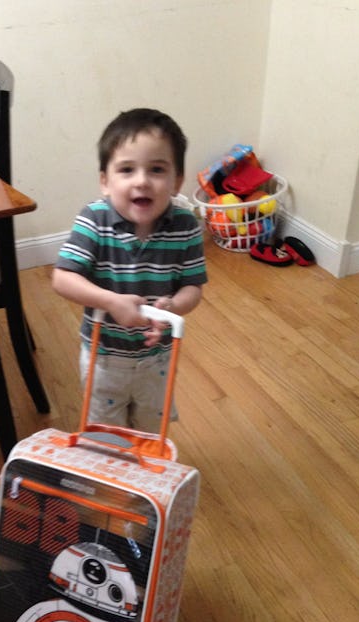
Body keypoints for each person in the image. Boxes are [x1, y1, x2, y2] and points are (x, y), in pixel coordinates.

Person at [52, 107, 207, 432]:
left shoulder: (186, 226)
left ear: (177, 181)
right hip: (104, 355)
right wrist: (109, 301)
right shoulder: (94, 220)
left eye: (156, 169)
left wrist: (174, 306)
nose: (142, 181)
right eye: (126, 169)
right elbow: (62, 278)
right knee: (106, 433)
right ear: (105, 182)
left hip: (158, 357)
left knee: (151, 430)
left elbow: (193, 288)